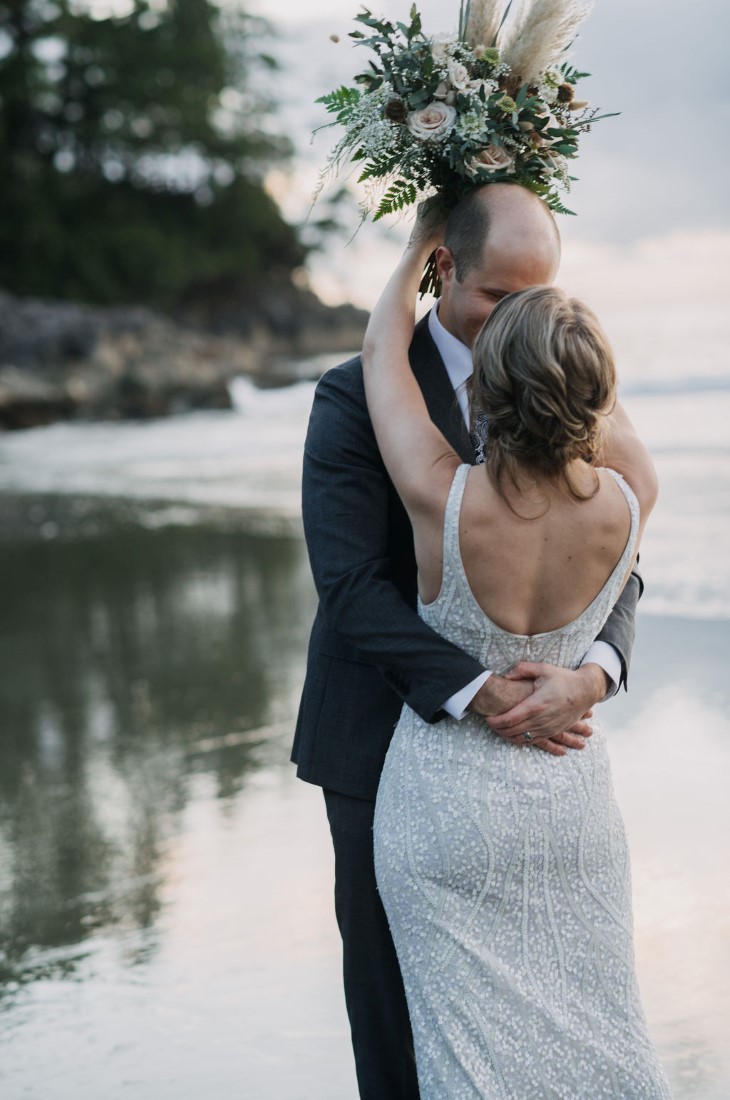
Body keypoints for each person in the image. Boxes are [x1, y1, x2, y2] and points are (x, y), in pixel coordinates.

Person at [291, 184, 642, 1099]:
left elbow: (619, 569)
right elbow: (350, 588)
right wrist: (475, 689)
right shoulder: (353, 396)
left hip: (546, 763)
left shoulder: (560, 387)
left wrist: (594, 677)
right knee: (396, 1015)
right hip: (381, 750)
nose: (513, 318)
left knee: (555, 1009)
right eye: (497, 296)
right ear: (444, 268)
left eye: (536, 294)